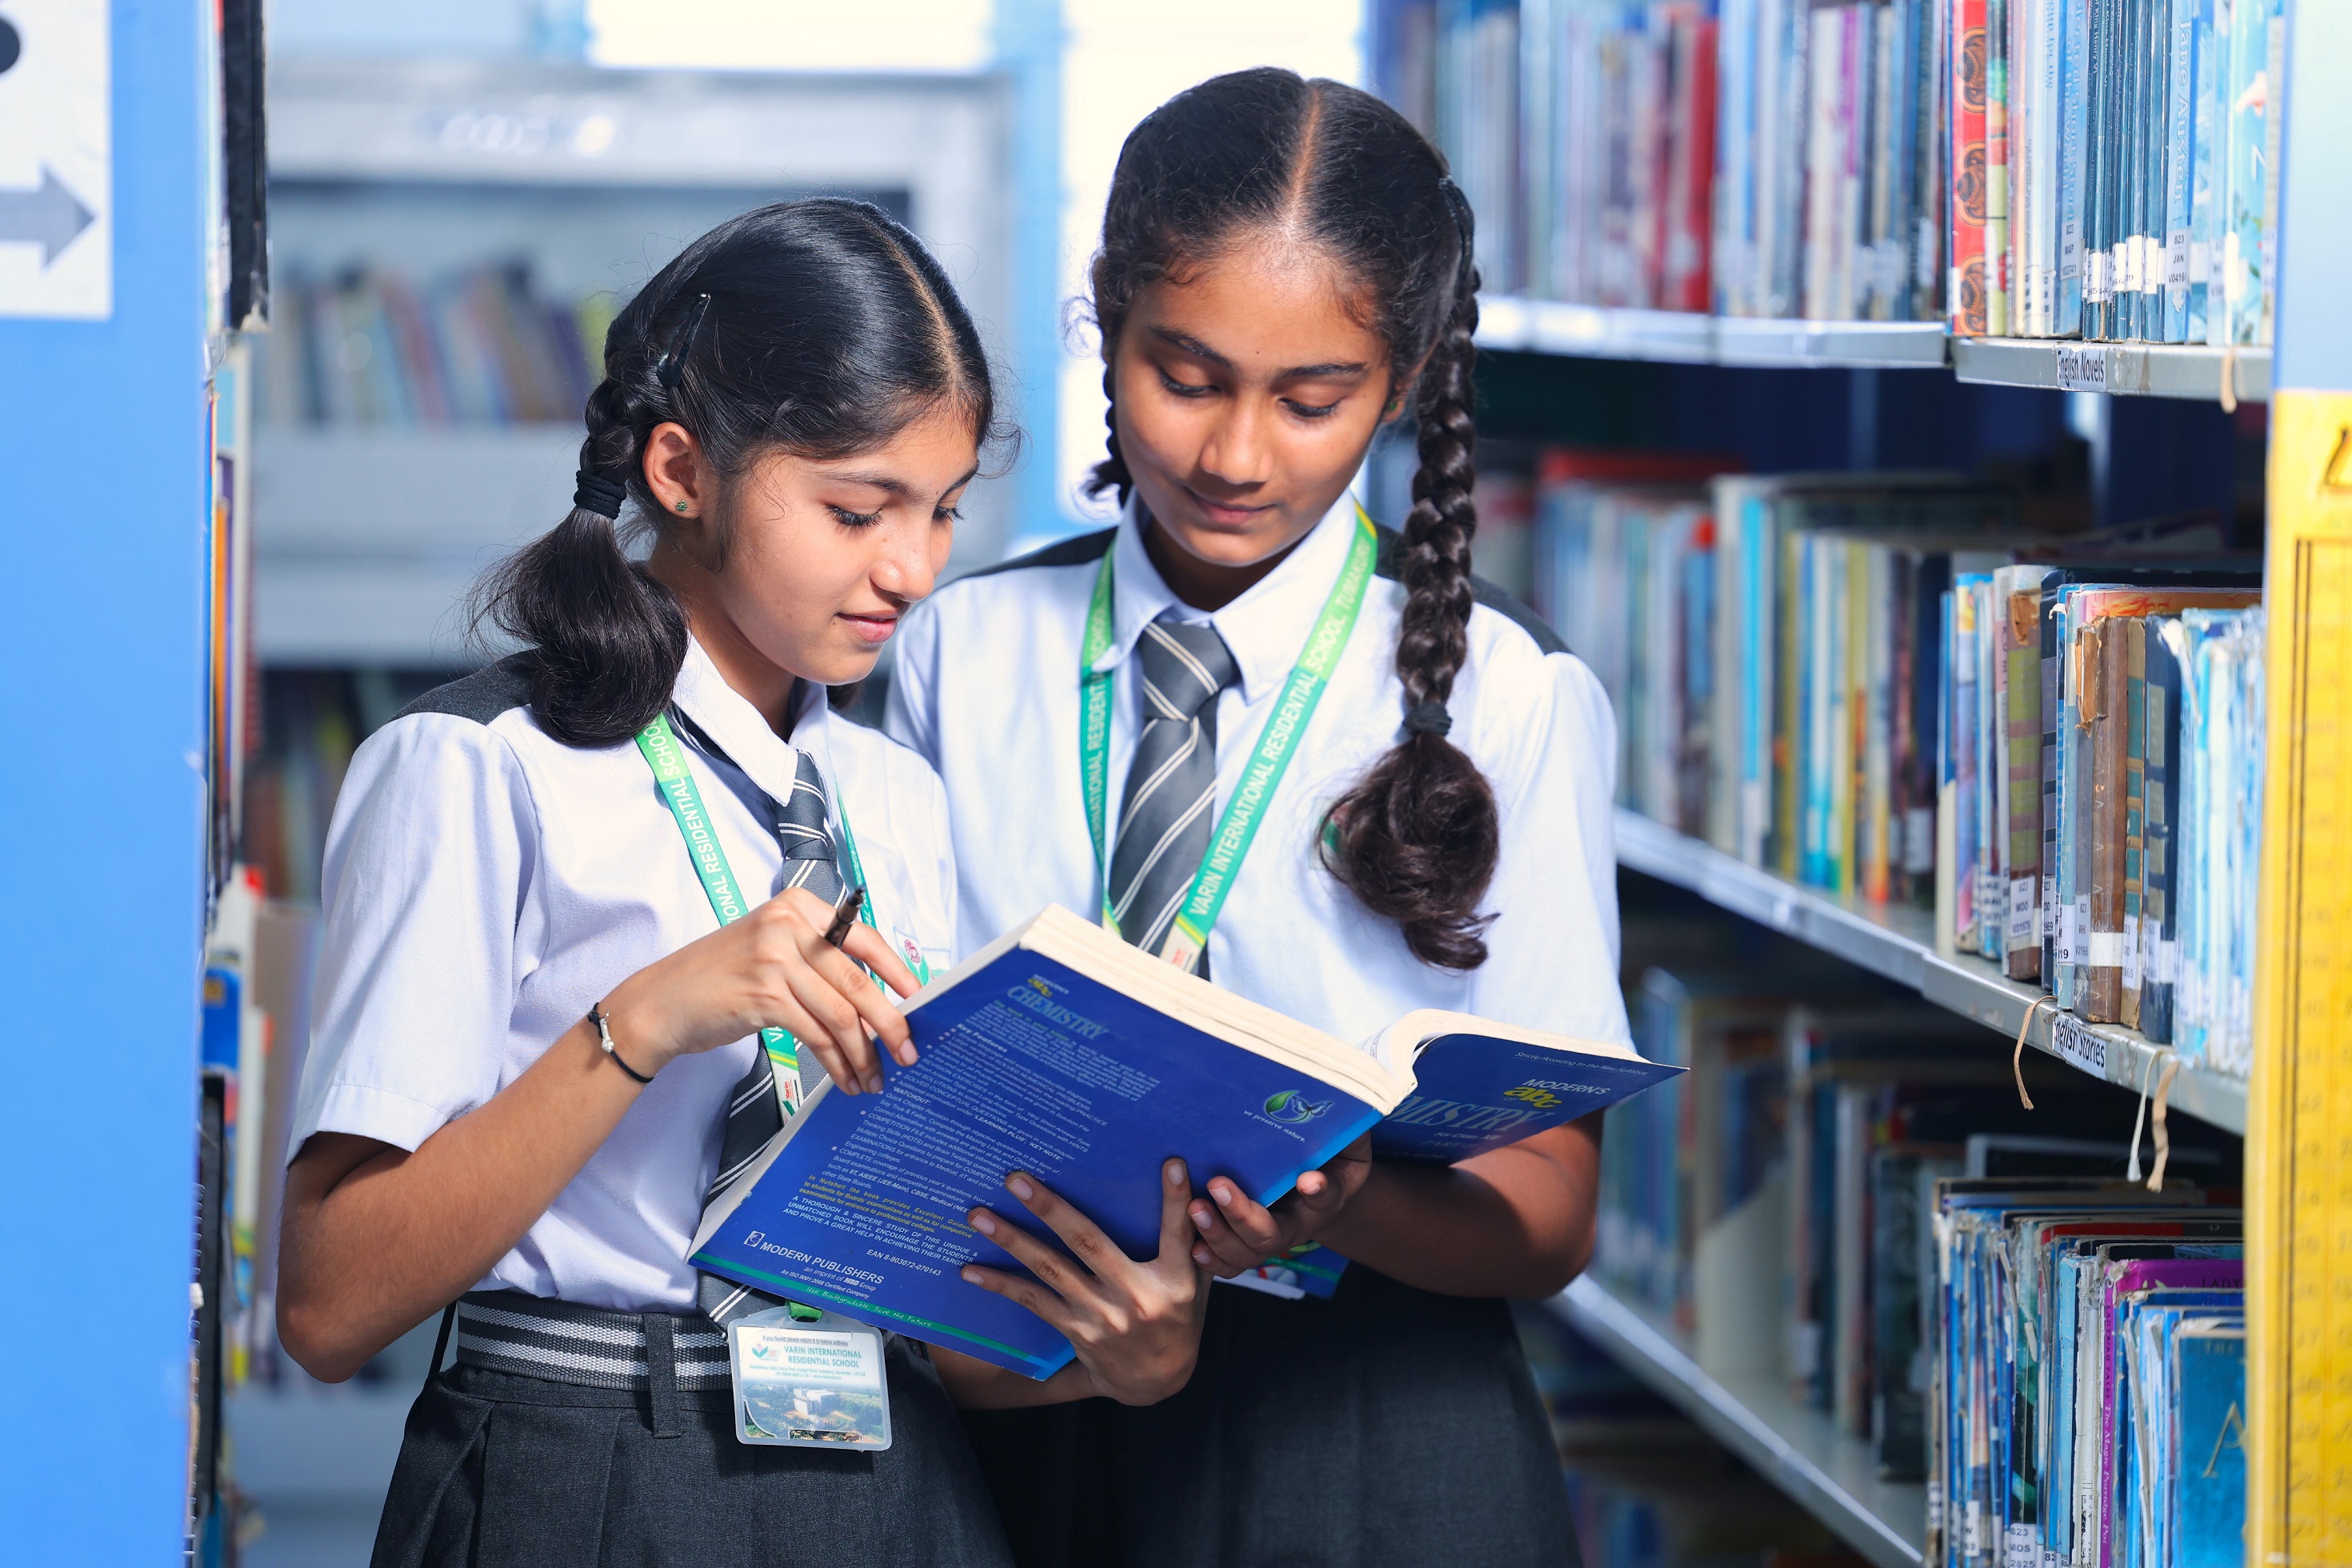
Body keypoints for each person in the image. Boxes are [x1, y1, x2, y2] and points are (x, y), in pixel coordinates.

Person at [274, 200, 1209, 1568]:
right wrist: (642, 1020)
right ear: (680, 468)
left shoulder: (893, 797)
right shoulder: (478, 769)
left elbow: (921, 1310)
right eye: (855, 508)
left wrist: (1122, 1358)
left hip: (896, 1481)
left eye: (942, 512)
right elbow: (332, 1302)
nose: (913, 569)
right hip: (585, 1460)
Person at [883, 70, 1629, 1567]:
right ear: (1106, 320)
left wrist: (1337, 1210)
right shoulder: (950, 654)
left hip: (1372, 1440)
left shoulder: (1511, 693)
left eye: (1311, 399)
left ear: (1405, 376)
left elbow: (1548, 1219)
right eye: (1187, 373)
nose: (1235, 455)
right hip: (1015, 1388)